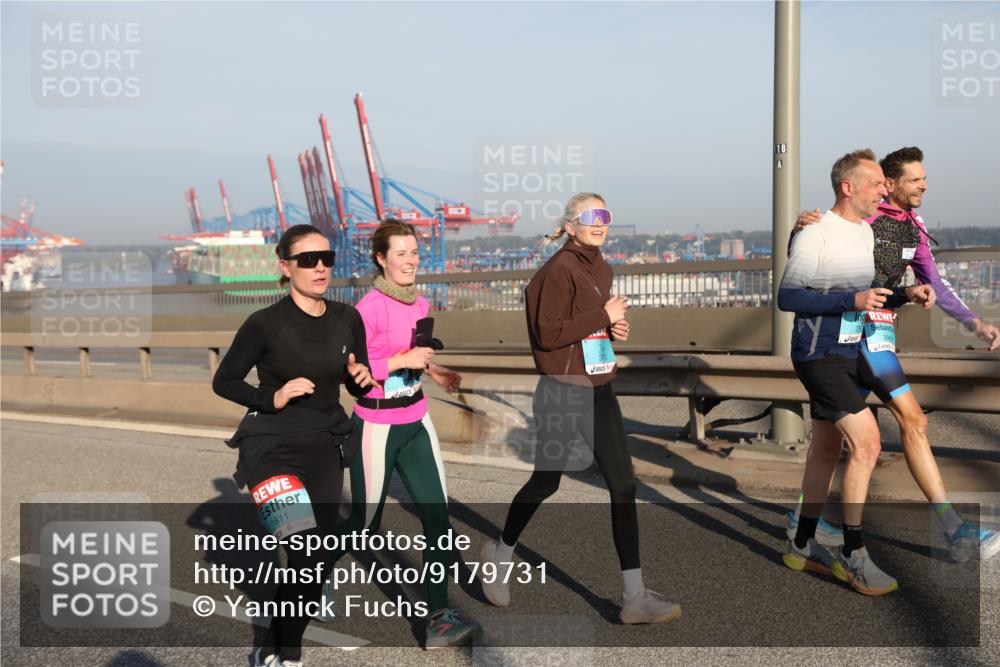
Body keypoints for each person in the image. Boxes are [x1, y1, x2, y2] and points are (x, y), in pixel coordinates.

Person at [786, 147, 1000, 562]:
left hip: (877, 330)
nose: (924, 185)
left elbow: (935, 282)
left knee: (831, 442)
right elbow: (819, 251)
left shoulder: (912, 227)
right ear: (891, 183)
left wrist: (975, 323)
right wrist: (799, 230)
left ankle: (805, 521)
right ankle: (948, 531)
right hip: (846, 335)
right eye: (915, 179)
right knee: (901, 425)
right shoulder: (866, 217)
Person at [479, 192, 682, 624]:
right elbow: (548, 335)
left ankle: (634, 597)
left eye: (605, 214)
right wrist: (602, 316)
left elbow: (589, 324)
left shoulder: (600, 267)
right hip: (562, 390)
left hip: (599, 387)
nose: (600, 222)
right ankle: (499, 554)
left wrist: (611, 326)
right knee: (545, 483)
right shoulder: (558, 270)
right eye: (590, 216)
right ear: (570, 226)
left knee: (623, 485)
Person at [212, 224, 376, 667]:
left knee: (317, 560)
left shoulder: (348, 318)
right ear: (284, 267)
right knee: (305, 549)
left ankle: (274, 642)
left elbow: (358, 381)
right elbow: (224, 381)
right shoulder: (264, 323)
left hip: (324, 447)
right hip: (271, 449)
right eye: (307, 260)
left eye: (327, 258)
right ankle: (285, 654)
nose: (320, 267)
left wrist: (363, 381)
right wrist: (273, 397)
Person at [777, 150, 934, 595]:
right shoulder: (815, 234)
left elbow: (867, 295)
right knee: (865, 443)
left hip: (847, 354)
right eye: (876, 183)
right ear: (848, 187)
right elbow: (789, 298)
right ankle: (853, 554)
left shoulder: (865, 234)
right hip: (817, 356)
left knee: (826, 448)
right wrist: (851, 301)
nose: (884, 189)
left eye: (886, 183)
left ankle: (802, 543)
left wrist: (907, 294)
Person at [318, 219, 477, 649]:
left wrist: (437, 371)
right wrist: (404, 357)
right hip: (376, 425)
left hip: (417, 421)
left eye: (414, 253)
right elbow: (356, 373)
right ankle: (312, 571)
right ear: (381, 258)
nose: (409, 261)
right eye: (400, 253)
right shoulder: (366, 310)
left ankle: (438, 616)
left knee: (437, 518)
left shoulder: (421, 303)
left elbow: (413, 360)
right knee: (366, 524)